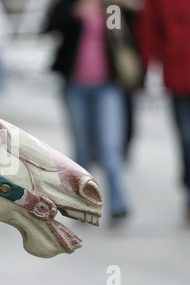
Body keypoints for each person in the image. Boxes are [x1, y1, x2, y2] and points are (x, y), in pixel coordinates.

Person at [44, 0, 129, 221]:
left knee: (109, 146)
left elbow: (122, 39)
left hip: (108, 87)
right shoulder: (69, 4)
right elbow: (48, 26)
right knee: (81, 148)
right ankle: (83, 204)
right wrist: (75, 13)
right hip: (75, 86)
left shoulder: (111, 9)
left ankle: (118, 201)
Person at [137, 0, 190, 221]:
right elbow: (148, 30)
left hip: (176, 69)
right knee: (186, 138)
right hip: (178, 74)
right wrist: (141, 70)